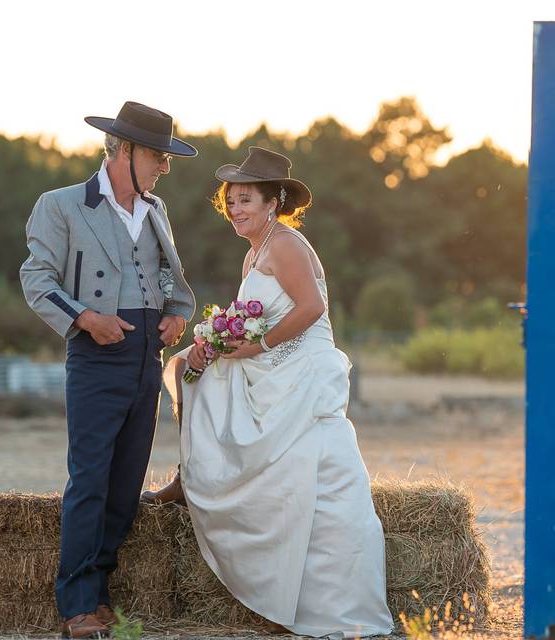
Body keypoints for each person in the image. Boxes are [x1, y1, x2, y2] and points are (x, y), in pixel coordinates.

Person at [161, 147, 394, 637]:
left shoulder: (286, 245)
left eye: (245, 199)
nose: (234, 208)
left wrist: (258, 344)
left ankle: (196, 478)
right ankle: (193, 474)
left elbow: (309, 308)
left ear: (273, 202)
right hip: (268, 366)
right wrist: (218, 343)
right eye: (229, 199)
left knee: (314, 471)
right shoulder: (256, 251)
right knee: (189, 368)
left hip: (299, 370)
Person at [20, 101, 197, 638]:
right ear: (123, 151)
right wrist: (86, 318)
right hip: (96, 353)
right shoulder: (62, 205)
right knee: (91, 480)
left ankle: (98, 590)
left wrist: (176, 315)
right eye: (157, 156)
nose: (165, 166)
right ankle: (77, 603)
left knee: (125, 487)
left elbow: (167, 278)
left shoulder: (157, 210)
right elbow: (36, 278)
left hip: (148, 353)